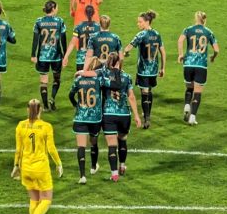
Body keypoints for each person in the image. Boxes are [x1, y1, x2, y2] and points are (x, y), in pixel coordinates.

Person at [77, 53, 142, 181]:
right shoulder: (127, 77)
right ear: (119, 62)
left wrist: (81, 72)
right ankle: (122, 165)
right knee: (122, 140)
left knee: (112, 145)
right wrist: (137, 116)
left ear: (109, 62)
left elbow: (90, 74)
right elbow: (131, 97)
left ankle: (114, 174)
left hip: (108, 114)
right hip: (124, 114)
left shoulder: (103, 74)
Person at [11, 99, 63, 214]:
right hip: (41, 168)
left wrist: (16, 166)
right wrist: (58, 163)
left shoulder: (21, 125)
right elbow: (51, 148)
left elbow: (18, 149)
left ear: (27, 110)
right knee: (46, 199)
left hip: (26, 168)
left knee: (34, 199)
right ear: (40, 110)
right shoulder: (46, 126)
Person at [123, 10, 165, 129]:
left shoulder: (141, 34)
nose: (138, 24)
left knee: (144, 93)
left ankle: (146, 118)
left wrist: (125, 52)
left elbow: (129, 47)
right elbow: (163, 52)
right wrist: (163, 68)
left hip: (143, 70)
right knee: (149, 91)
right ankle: (148, 114)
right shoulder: (157, 34)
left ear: (147, 22)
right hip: (154, 70)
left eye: (140, 22)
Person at [177, 11, 219, 125]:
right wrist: (213, 57)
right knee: (197, 92)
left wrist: (180, 54)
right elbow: (216, 49)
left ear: (196, 18)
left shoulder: (188, 29)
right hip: (201, 66)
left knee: (189, 88)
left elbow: (180, 40)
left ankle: (187, 105)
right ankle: (192, 117)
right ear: (205, 20)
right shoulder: (209, 32)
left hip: (188, 64)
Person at [69, 58, 104, 184]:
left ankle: (82, 176)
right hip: (95, 117)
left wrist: (76, 105)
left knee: (81, 146)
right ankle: (93, 167)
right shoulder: (99, 80)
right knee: (94, 142)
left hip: (81, 117)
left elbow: (70, 95)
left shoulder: (79, 79)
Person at [32, 0, 68, 111]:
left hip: (42, 56)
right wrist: (65, 55)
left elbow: (35, 39)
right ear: (53, 9)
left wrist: (33, 54)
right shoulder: (60, 21)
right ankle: (52, 98)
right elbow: (63, 40)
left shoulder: (39, 22)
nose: (57, 9)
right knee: (56, 78)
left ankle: (45, 106)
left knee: (43, 81)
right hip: (56, 56)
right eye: (56, 7)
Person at [63, 5, 100, 71]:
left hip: (81, 59)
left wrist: (66, 56)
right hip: (94, 60)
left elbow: (72, 43)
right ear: (94, 13)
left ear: (85, 13)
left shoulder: (79, 26)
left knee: (80, 77)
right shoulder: (98, 27)